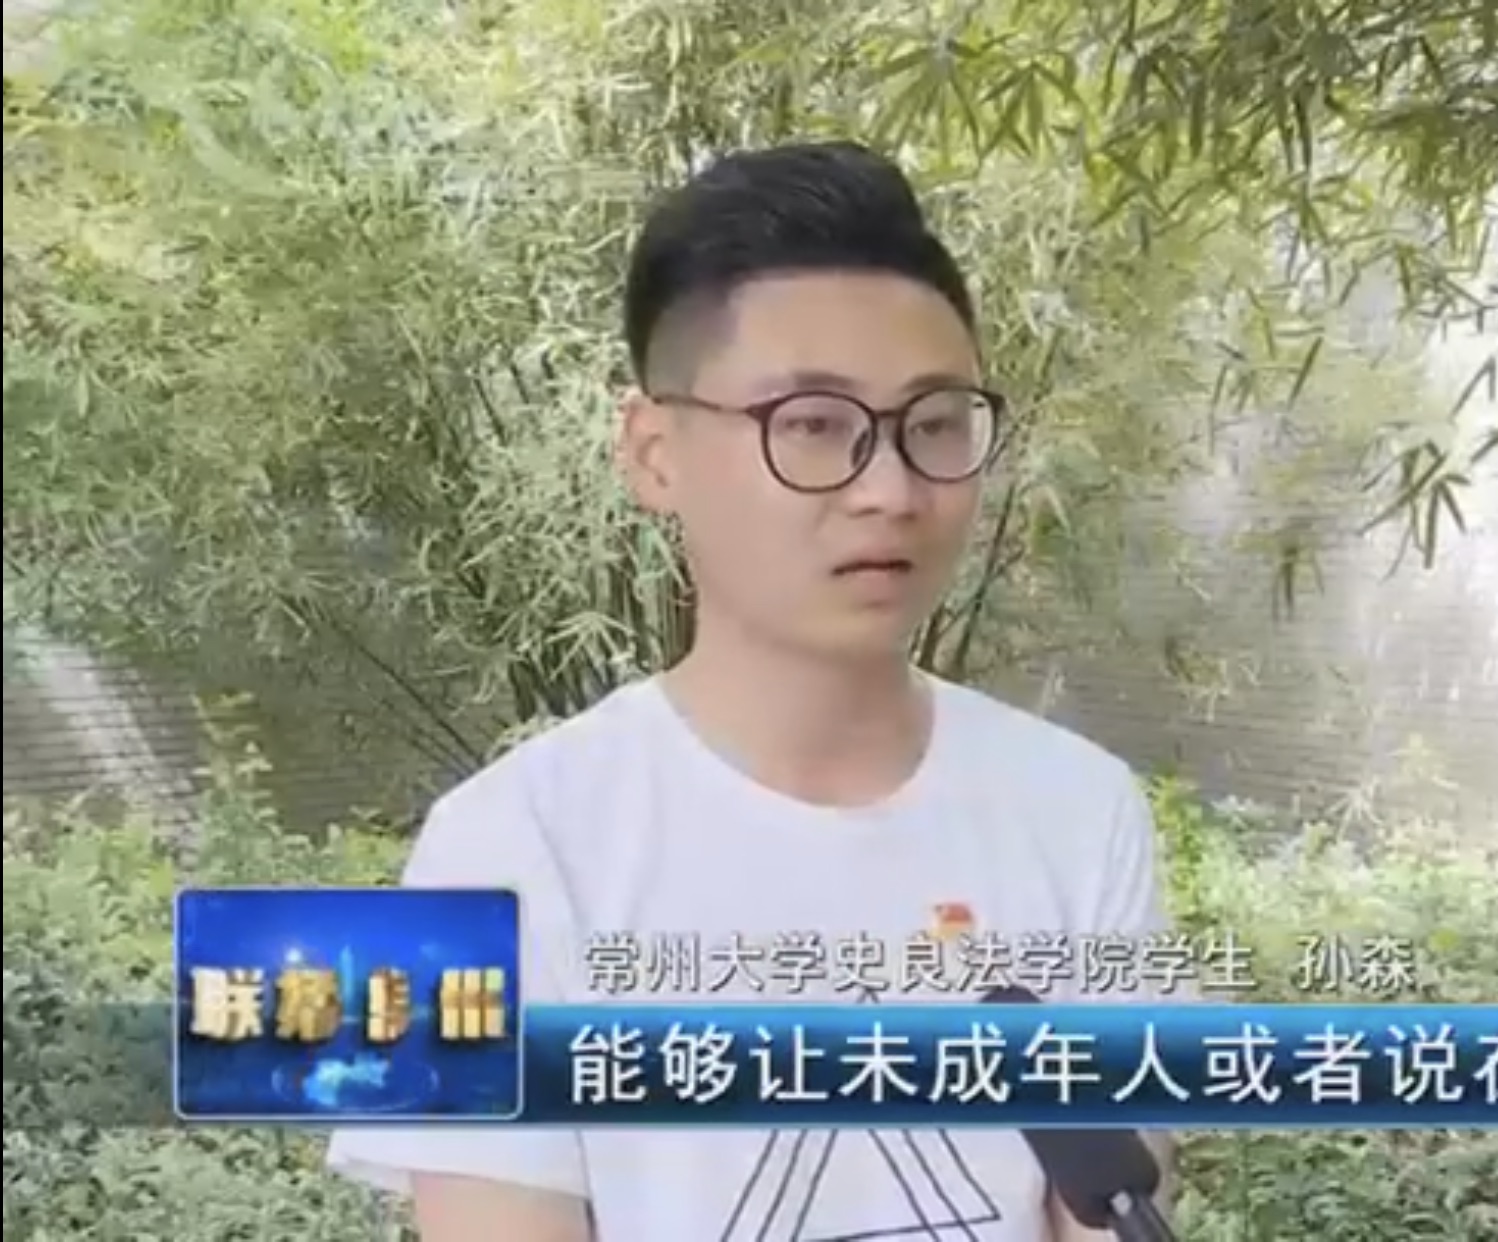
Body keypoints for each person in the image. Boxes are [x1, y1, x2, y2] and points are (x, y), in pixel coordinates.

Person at [325, 141, 1177, 1242]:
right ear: (654, 453)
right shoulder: (494, 854)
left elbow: (1113, 1215)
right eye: (812, 424)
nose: (890, 490)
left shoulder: (1080, 811)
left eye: (934, 424)